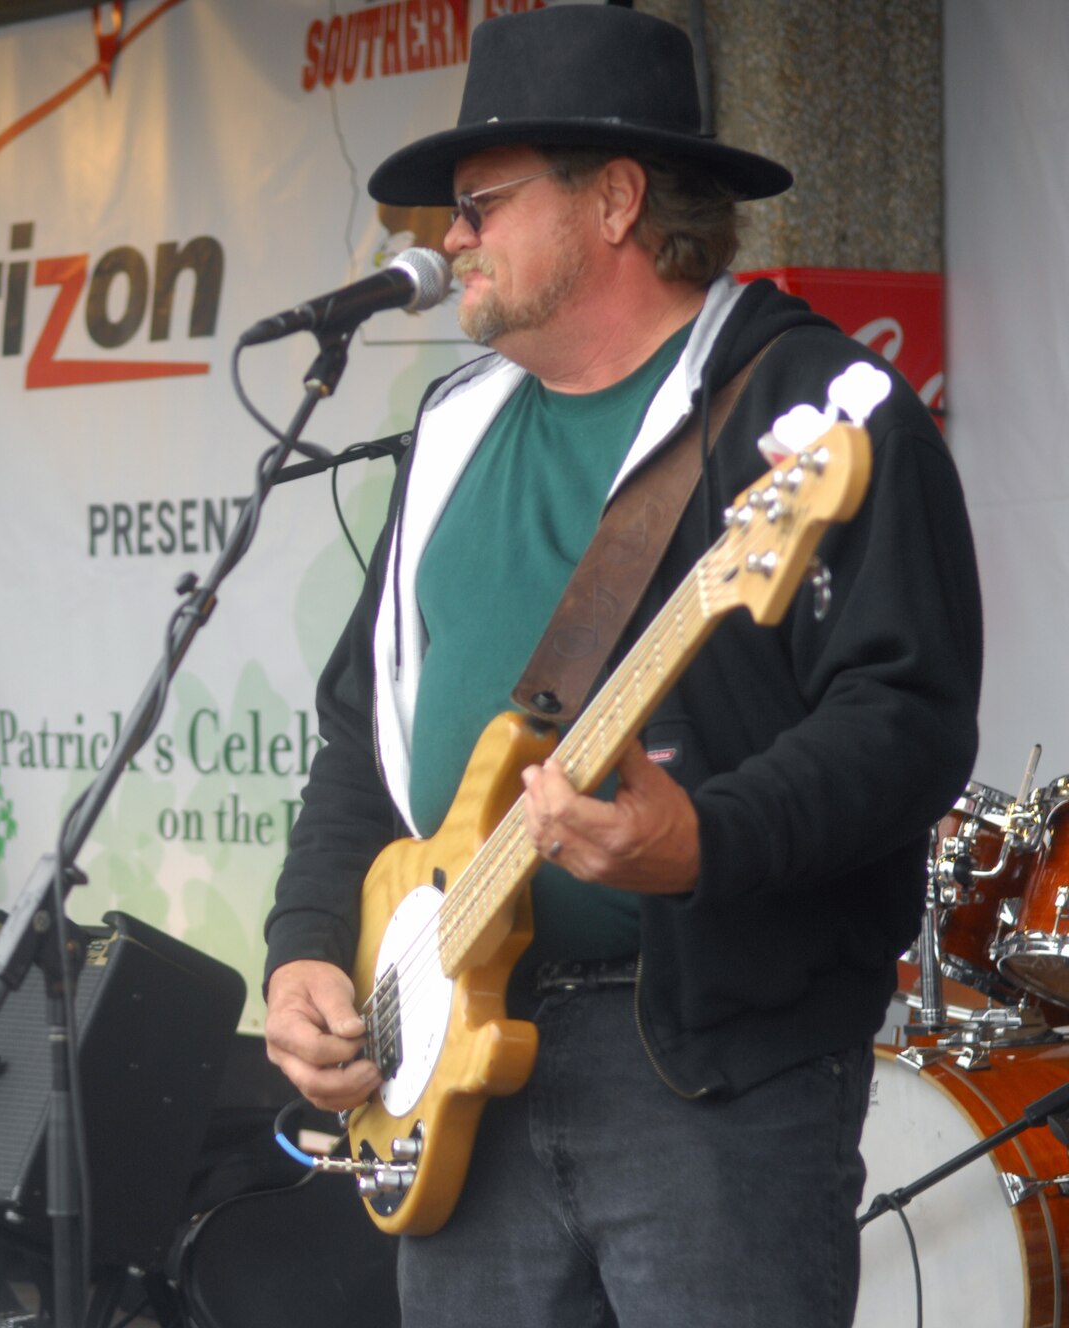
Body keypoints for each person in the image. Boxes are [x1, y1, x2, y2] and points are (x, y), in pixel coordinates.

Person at [261, 8, 982, 1326]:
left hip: (708, 1073)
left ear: (616, 201)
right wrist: (309, 946)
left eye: (478, 202)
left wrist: (702, 838)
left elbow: (907, 720)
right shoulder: (452, 428)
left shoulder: (807, 407)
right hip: (454, 1069)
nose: (447, 237)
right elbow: (364, 740)